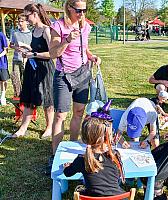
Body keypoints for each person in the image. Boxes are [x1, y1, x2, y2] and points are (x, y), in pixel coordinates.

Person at [49, 0, 101, 160]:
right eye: (78, 10)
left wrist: (92, 57)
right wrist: (67, 40)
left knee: (79, 112)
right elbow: (53, 53)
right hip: (63, 75)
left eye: (84, 10)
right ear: (69, 8)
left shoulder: (86, 26)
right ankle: (56, 153)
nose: (82, 14)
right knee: (60, 115)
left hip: (82, 74)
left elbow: (84, 48)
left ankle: (72, 147)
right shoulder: (58, 26)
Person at [12, 3, 55, 138]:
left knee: (47, 99)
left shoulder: (46, 30)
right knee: (29, 96)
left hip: (45, 70)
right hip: (32, 68)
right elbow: (35, 49)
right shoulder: (33, 31)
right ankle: (23, 128)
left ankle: (49, 127)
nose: (26, 18)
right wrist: (26, 50)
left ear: (35, 14)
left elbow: (52, 53)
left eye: (27, 15)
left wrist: (34, 55)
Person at [63, 116, 125, 196]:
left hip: (93, 197)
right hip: (119, 197)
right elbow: (118, 176)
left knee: (80, 190)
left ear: (84, 137)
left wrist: (67, 167)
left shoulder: (81, 160)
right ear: (107, 137)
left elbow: (67, 173)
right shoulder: (115, 155)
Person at [9, 14, 32, 98]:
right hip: (16, 59)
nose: (20, 23)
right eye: (19, 21)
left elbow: (33, 48)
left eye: (22, 21)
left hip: (27, 60)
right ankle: (18, 97)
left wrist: (25, 46)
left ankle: (26, 97)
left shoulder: (31, 34)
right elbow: (11, 45)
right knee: (15, 78)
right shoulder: (15, 33)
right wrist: (17, 48)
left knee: (25, 79)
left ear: (27, 22)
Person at [0, 31, 9, 106]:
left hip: (1, 63)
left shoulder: (1, 34)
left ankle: (3, 96)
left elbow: (6, 50)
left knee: (3, 80)